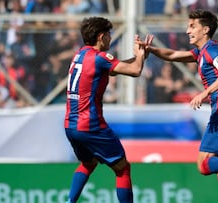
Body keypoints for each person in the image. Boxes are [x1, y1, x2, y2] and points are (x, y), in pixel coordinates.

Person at [146, 9, 218, 202]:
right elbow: (172, 54)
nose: (187, 31)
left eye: (192, 26)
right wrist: (150, 50)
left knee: (203, 165)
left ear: (206, 29)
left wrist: (205, 92)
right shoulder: (201, 52)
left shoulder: (212, 49)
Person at [64, 16, 153, 203]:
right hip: (91, 125)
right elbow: (135, 70)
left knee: (88, 163)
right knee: (122, 168)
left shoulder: (79, 55)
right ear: (102, 37)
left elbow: (117, 68)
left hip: (71, 126)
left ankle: (69, 201)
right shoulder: (100, 57)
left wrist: (139, 57)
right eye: (109, 35)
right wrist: (139, 55)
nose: (110, 39)